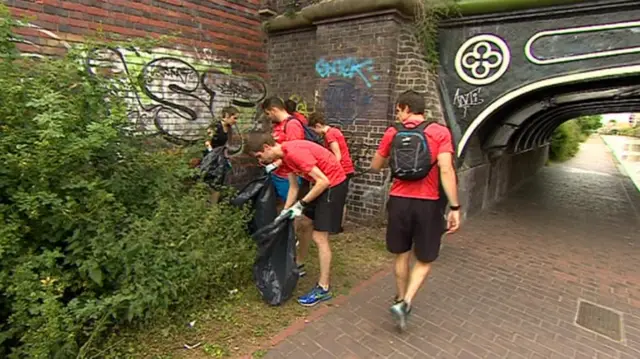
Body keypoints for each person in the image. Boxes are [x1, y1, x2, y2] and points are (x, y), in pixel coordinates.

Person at [370, 90, 461, 331]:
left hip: (398, 200)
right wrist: (454, 206)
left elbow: (375, 165)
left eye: (399, 110)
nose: (398, 114)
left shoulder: (393, 132)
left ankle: (399, 297)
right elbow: (446, 170)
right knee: (425, 257)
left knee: (401, 254)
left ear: (405, 108)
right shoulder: (439, 132)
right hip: (428, 203)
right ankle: (406, 302)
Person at [245, 133, 348, 307]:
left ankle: (323, 288)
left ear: (266, 148)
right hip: (318, 183)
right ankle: (299, 264)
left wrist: (301, 204)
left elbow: (323, 181)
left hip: (333, 185)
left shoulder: (294, 153)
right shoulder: (285, 156)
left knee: (320, 237)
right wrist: (285, 212)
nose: (261, 161)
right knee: (303, 224)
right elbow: (294, 187)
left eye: (260, 157)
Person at [308, 112, 355, 233]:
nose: (315, 133)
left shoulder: (329, 135)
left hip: (341, 169)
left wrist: (332, 170)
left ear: (318, 125)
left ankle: (335, 226)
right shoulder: (335, 131)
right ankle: (339, 225)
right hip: (347, 168)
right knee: (341, 199)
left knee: (334, 199)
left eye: (314, 130)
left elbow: (337, 155)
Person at [202, 106, 239, 203]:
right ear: (226, 116)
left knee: (222, 180)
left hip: (221, 157)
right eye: (234, 118)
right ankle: (209, 204)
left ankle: (216, 203)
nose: (236, 121)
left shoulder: (229, 128)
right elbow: (207, 142)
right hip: (211, 157)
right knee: (212, 181)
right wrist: (212, 154)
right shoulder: (215, 126)